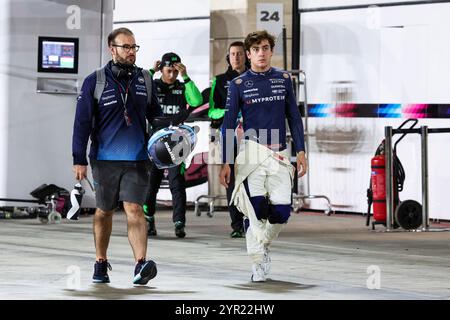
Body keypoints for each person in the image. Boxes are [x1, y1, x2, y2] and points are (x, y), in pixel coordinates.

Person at [72, 27, 162, 285]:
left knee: (134, 209)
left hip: (137, 158)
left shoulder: (145, 79)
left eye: (134, 47)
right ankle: (101, 262)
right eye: (126, 47)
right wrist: (78, 159)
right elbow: (82, 123)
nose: (132, 52)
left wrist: (171, 127)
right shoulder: (95, 81)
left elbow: (153, 116)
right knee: (104, 211)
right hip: (103, 159)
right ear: (112, 49)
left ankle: (140, 265)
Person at [219, 30, 308, 282]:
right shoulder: (237, 85)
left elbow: (294, 117)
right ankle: (258, 260)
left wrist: (301, 151)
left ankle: (260, 240)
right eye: (256, 49)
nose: (261, 53)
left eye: (266, 48)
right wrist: (226, 161)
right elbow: (227, 124)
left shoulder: (283, 79)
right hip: (251, 153)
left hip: (280, 153)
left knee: (280, 212)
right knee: (256, 209)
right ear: (248, 54)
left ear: (271, 51)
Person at [144, 52, 203, 238]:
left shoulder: (182, 86)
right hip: (154, 142)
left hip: (177, 143)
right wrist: (151, 71)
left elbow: (197, 101)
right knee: (151, 184)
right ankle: (149, 220)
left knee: (177, 184)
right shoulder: (153, 85)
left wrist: (185, 77)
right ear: (162, 69)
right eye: (168, 71)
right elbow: (138, 86)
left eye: (175, 72)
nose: (172, 75)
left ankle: (179, 223)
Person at [209, 42, 248, 238]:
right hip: (228, 134)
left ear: (246, 56)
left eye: (240, 54)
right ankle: (237, 225)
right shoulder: (220, 80)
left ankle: (251, 220)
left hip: (253, 135)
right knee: (231, 179)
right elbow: (211, 110)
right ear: (228, 57)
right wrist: (229, 112)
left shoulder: (256, 77)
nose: (236, 57)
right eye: (233, 54)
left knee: (252, 178)